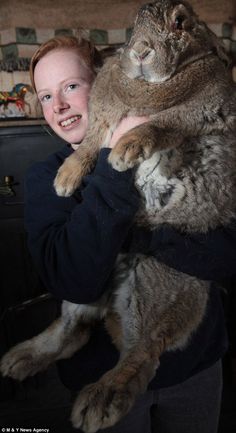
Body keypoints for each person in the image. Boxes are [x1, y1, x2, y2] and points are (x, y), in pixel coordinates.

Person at [24, 34, 236, 433]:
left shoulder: (186, 149)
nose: (60, 107)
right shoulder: (45, 179)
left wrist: (136, 238)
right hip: (100, 378)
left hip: (194, 368)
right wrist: (111, 158)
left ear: (109, 83)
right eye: (46, 96)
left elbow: (224, 255)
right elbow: (75, 279)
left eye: (71, 86)